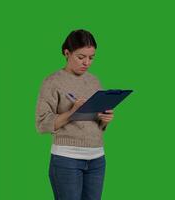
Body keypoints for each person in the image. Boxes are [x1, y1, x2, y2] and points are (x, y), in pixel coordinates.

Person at [35, 29, 114, 200]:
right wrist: (72, 112)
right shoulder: (52, 81)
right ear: (67, 53)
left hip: (97, 158)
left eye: (91, 58)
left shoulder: (94, 81)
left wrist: (105, 119)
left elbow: (97, 124)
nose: (86, 62)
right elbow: (41, 124)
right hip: (67, 159)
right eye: (81, 57)